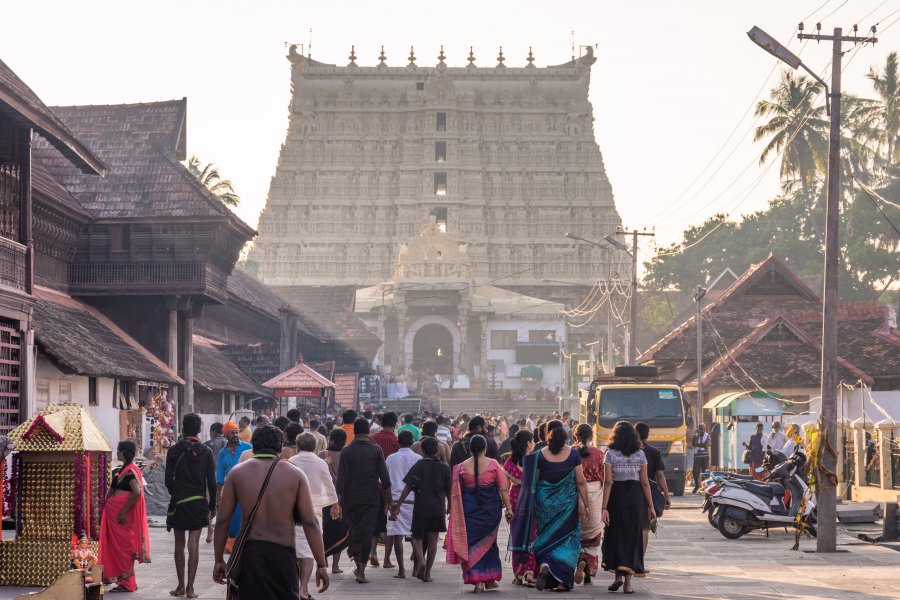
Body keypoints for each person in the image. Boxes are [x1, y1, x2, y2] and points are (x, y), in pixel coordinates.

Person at [213, 425, 329, 599]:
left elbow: (222, 521)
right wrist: (321, 565)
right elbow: (310, 522)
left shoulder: (237, 473)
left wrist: (219, 560)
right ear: (280, 446)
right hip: (283, 555)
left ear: (253, 445)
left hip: (250, 554)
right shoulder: (295, 474)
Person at [510, 421, 589, 592]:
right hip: (567, 505)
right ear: (565, 440)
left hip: (545, 504)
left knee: (546, 537)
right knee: (568, 539)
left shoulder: (539, 455)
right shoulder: (573, 454)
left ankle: (546, 564)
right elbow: (580, 481)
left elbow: (534, 481)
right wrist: (586, 504)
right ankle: (562, 580)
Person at [447, 435, 513, 593]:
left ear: (469, 449)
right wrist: (509, 508)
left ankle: (480, 582)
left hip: (469, 511)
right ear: (485, 449)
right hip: (490, 510)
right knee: (489, 544)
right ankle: (487, 578)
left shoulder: (461, 467)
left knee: (472, 544)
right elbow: (503, 488)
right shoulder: (494, 464)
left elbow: (458, 493)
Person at [600, 421, 656, 594]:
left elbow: (608, 482)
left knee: (616, 534)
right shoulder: (640, 455)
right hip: (635, 498)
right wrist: (651, 507)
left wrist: (604, 508)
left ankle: (617, 577)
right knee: (633, 536)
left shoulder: (610, 454)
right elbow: (645, 483)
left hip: (617, 497)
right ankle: (628, 584)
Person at [166, 413, 217, 599]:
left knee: (179, 544)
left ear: (182, 427)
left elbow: (167, 481)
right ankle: (190, 589)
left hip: (179, 503)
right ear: (199, 429)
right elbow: (211, 483)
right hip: (198, 503)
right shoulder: (206, 452)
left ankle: (180, 586)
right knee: (193, 544)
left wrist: (177, 495)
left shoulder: (173, 450)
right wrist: (212, 507)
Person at [337, 417, 392, 583]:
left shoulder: (346, 451)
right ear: (368, 431)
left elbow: (341, 479)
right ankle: (361, 568)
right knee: (367, 532)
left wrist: (338, 501)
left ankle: (355, 554)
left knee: (354, 529)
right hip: (370, 498)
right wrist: (388, 501)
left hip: (350, 498)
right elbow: (385, 478)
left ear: (354, 431)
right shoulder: (376, 450)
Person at [393, 437, 451, 583]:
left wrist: (398, 505)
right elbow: (449, 490)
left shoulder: (420, 465)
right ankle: (428, 573)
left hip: (421, 506)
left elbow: (408, 487)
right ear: (437, 451)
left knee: (416, 537)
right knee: (432, 540)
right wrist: (450, 505)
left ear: (423, 451)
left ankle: (420, 560)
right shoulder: (444, 467)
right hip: (438, 507)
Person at [290, 433, 340, 600]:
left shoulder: (291, 462)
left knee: (295, 550)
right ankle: (303, 588)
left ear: (298, 446)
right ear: (315, 447)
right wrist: (335, 504)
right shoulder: (320, 463)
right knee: (308, 551)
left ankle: (296, 587)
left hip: (293, 512)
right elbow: (329, 484)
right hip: (314, 512)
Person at [99, 440, 150, 592]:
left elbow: (136, 492)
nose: (117, 453)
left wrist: (122, 511)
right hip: (113, 518)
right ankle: (123, 581)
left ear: (125, 453)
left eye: (119, 451)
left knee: (124, 548)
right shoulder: (123, 470)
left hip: (122, 518)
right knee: (116, 548)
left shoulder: (130, 471)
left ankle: (128, 583)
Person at [503, 429, 537, 586]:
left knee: (517, 536)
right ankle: (530, 573)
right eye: (533, 441)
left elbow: (503, 488)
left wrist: (508, 508)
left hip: (516, 501)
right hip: (532, 502)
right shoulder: (535, 460)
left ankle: (518, 574)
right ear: (528, 443)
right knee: (532, 537)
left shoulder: (509, 463)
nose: (534, 444)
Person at [385, 430, 421, 578]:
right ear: (412, 442)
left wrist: (387, 503)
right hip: (414, 501)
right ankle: (417, 566)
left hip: (395, 503)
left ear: (398, 442)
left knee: (397, 536)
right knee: (415, 536)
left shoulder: (390, 459)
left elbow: (385, 483)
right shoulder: (418, 458)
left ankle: (401, 570)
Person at [573, 423, 604, 585]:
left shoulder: (570, 452)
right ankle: (588, 571)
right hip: (595, 497)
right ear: (591, 437)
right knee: (593, 533)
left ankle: (578, 560)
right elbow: (604, 478)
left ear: (575, 437)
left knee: (576, 532)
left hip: (576, 495)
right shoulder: (599, 454)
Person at [635, 422, 671, 556]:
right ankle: (640, 562)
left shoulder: (628, 452)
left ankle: (630, 561)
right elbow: (660, 475)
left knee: (633, 528)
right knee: (645, 527)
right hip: (648, 493)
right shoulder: (654, 452)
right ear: (647, 435)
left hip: (631, 492)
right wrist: (667, 496)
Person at [216, 421, 252, 554]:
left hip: (247, 487)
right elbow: (220, 474)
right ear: (225, 435)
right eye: (232, 433)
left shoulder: (248, 448)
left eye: (237, 432)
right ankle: (231, 543)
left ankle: (242, 542)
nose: (235, 435)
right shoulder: (222, 453)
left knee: (243, 514)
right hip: (229, 488)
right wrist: (218, 495)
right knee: (230, 516)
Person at [371, 411, 400, 567]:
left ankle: (372, 552)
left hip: (375, 486)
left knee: (375, 522)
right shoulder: (396, 441)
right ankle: (387, 560)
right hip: (390, 487)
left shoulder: (373, 439)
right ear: (395, 425)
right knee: (390, 523)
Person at [318, 428, 349, 574]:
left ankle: (322, 564)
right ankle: (336, 566)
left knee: (324, 531)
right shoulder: (347, 454)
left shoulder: (323, 455)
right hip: (342, 499)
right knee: (340, 532)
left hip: (325, 500)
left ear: (331, 440)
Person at [204, 422, 227, 544]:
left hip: (210, 478)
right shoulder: (229, 444)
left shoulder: (207, 445)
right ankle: (219, 530)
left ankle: (210, 529)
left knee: (210, 504)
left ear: (213, 430)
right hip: (225, 479)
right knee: (222, 505)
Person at [691, 423, 710, 493]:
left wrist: (698, 445)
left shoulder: (707, 436)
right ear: (698, 429)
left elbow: (706, 445)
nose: (702, 430)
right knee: (695, 472)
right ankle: (697, 486)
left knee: (705, 473)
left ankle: (705, 487)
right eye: (701, 429)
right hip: (697, 457)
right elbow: (693, 444)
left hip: (705, 457)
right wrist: (697, 437)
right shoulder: (695, 436)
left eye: (703, 429)